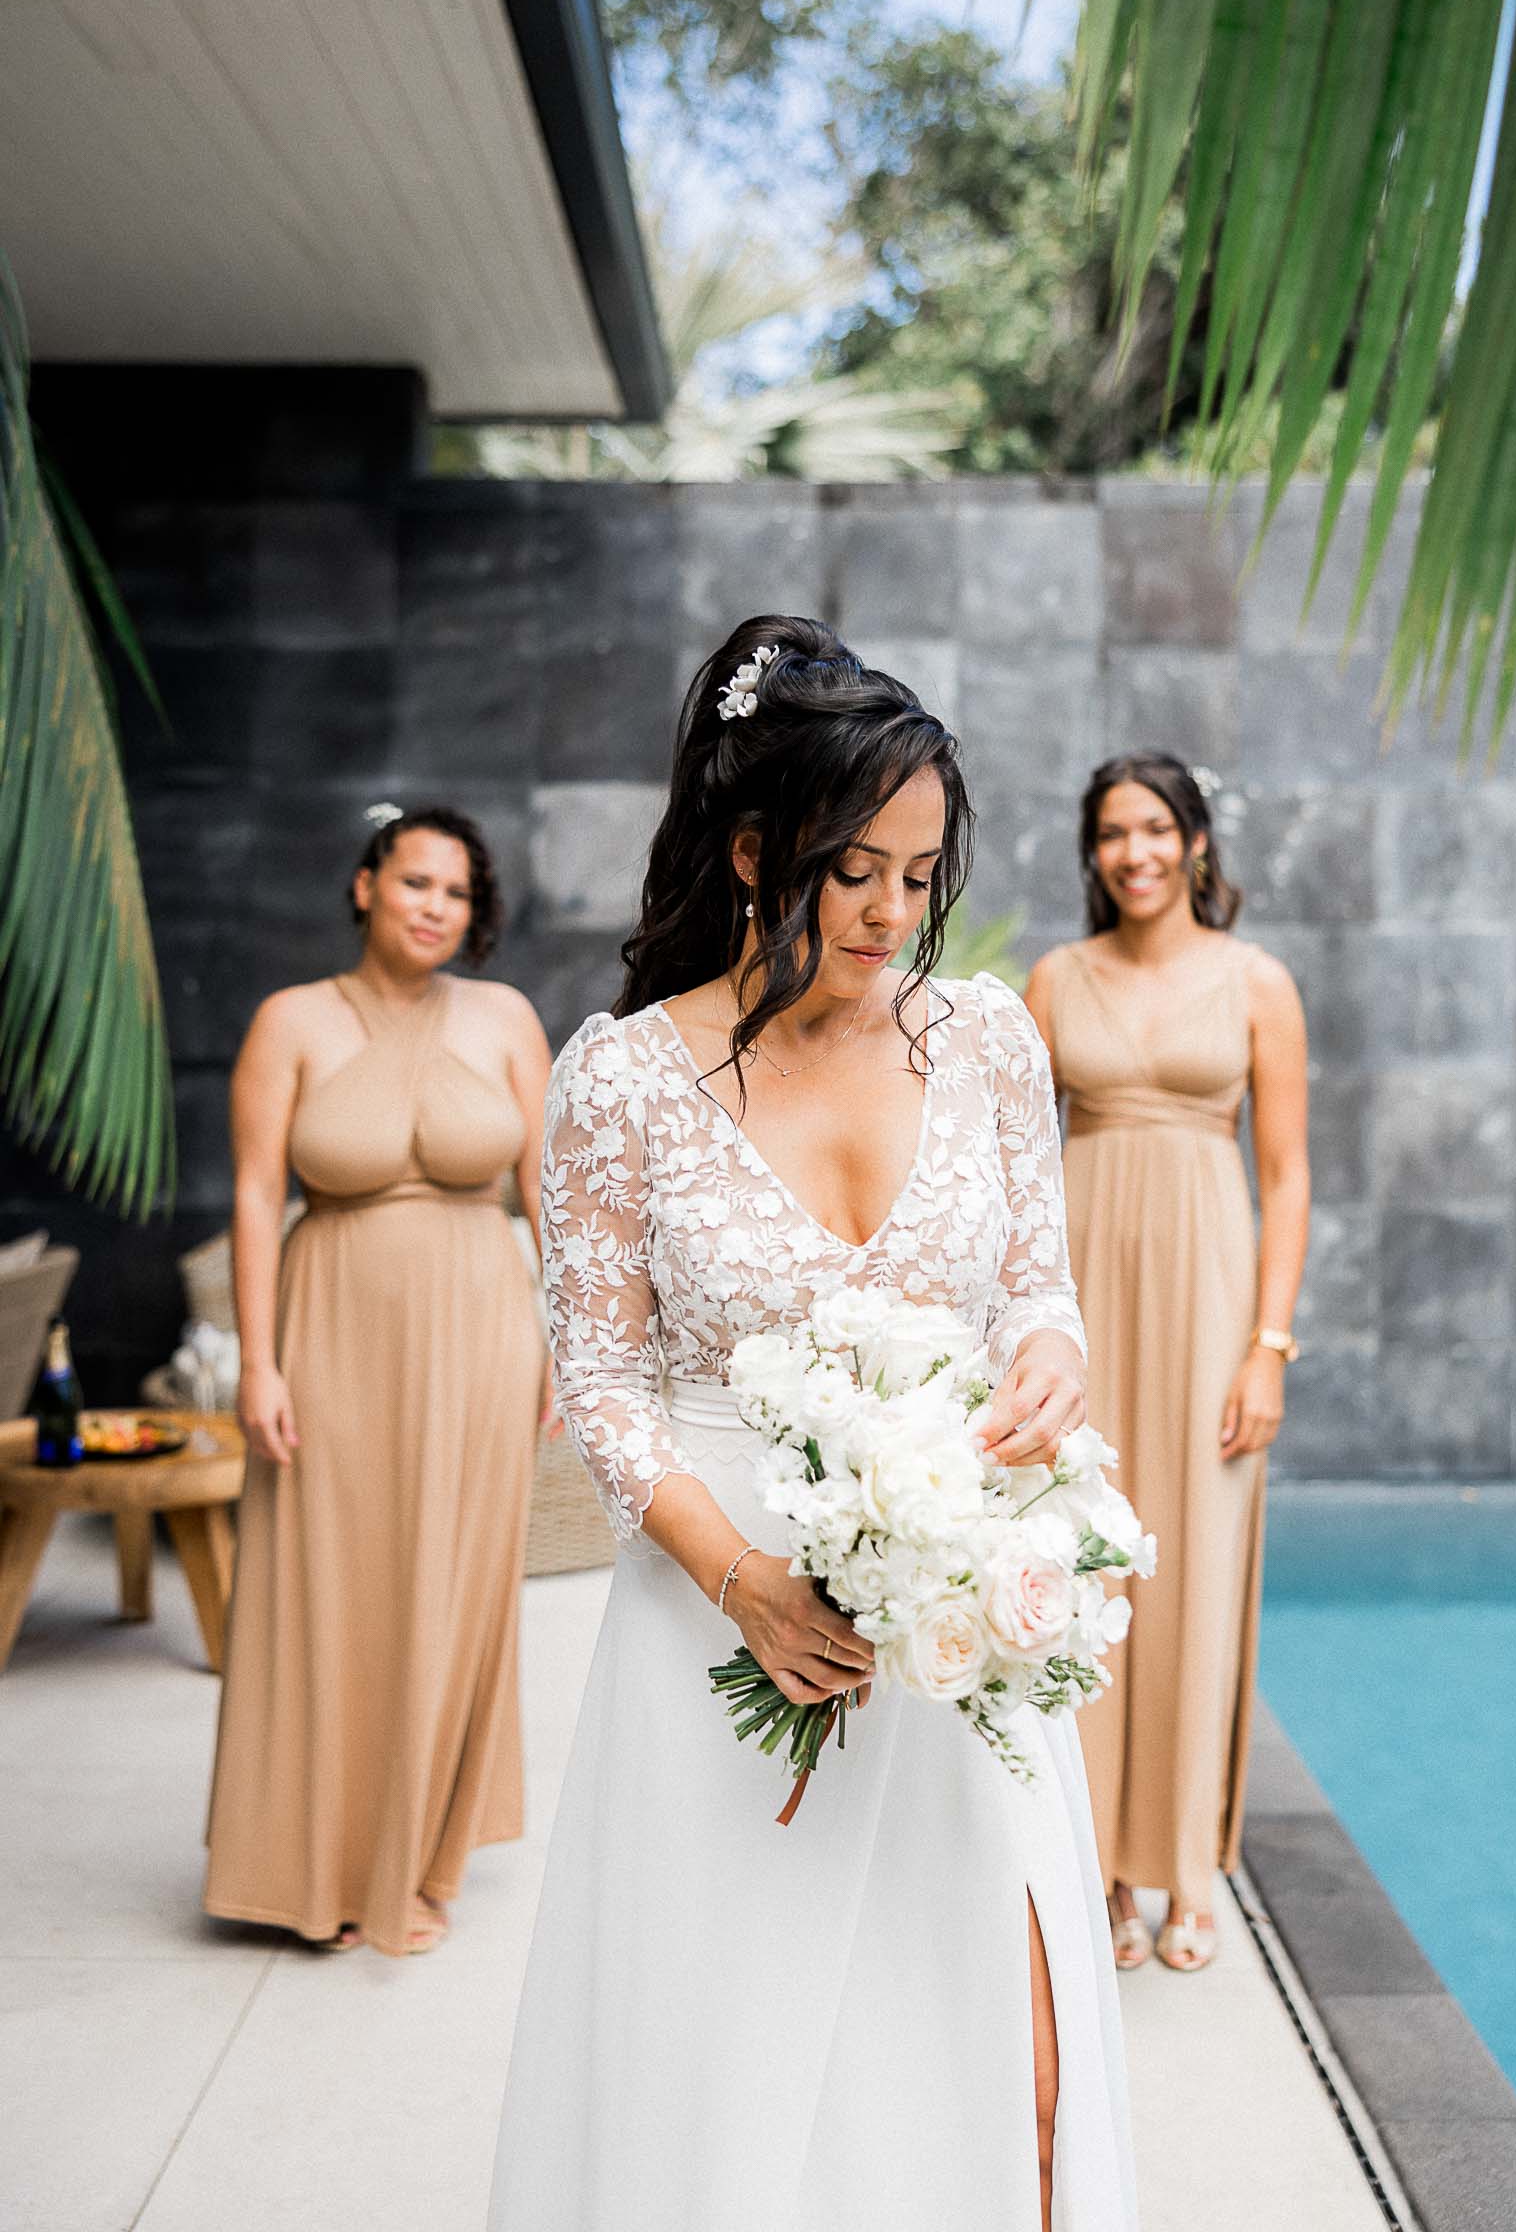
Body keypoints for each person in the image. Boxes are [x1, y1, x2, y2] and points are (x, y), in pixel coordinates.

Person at [489, 620, 1137, 2232]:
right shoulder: (624, 1080)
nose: (895, 915)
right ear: (757, 848)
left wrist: (1052, 1359)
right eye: (859, 872)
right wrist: (747, 1587)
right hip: (720, 1630)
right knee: (740, 2091)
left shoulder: (982, 1039)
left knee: (1017, 2060)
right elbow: (605, 1391)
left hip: (956, 1627)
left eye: (923, 876)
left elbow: (1035, 1288)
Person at [204, 803, 551, 1958]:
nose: (431, 908)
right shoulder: (291, 1021)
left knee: (452, 1584)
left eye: (454, 893)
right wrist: (257, 1361)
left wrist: (570, 1346)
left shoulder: (504, 1020)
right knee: (330, 1583)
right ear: (365, 886)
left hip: (483, 1329)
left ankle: (419, 1854)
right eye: (413, 883)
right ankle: (316, 1861)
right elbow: (258, 1195)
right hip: (332, 1325)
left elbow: (553, 1199)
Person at [1023, 754, 1309, 1973]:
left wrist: (1268, 1348)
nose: (1133, 852)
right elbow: (1015, 1168)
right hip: (1079, 1305)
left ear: (1194, 841)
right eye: (1110, 834)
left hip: (1207, 1308)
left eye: (1153, 828)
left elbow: (1288, 1177)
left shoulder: (1258, 984)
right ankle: (1095, 1873)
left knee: (1190, 1573)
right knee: (1079, 1571)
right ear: (1091, 855)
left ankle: (1186, 1870)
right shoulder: (1051, 979)